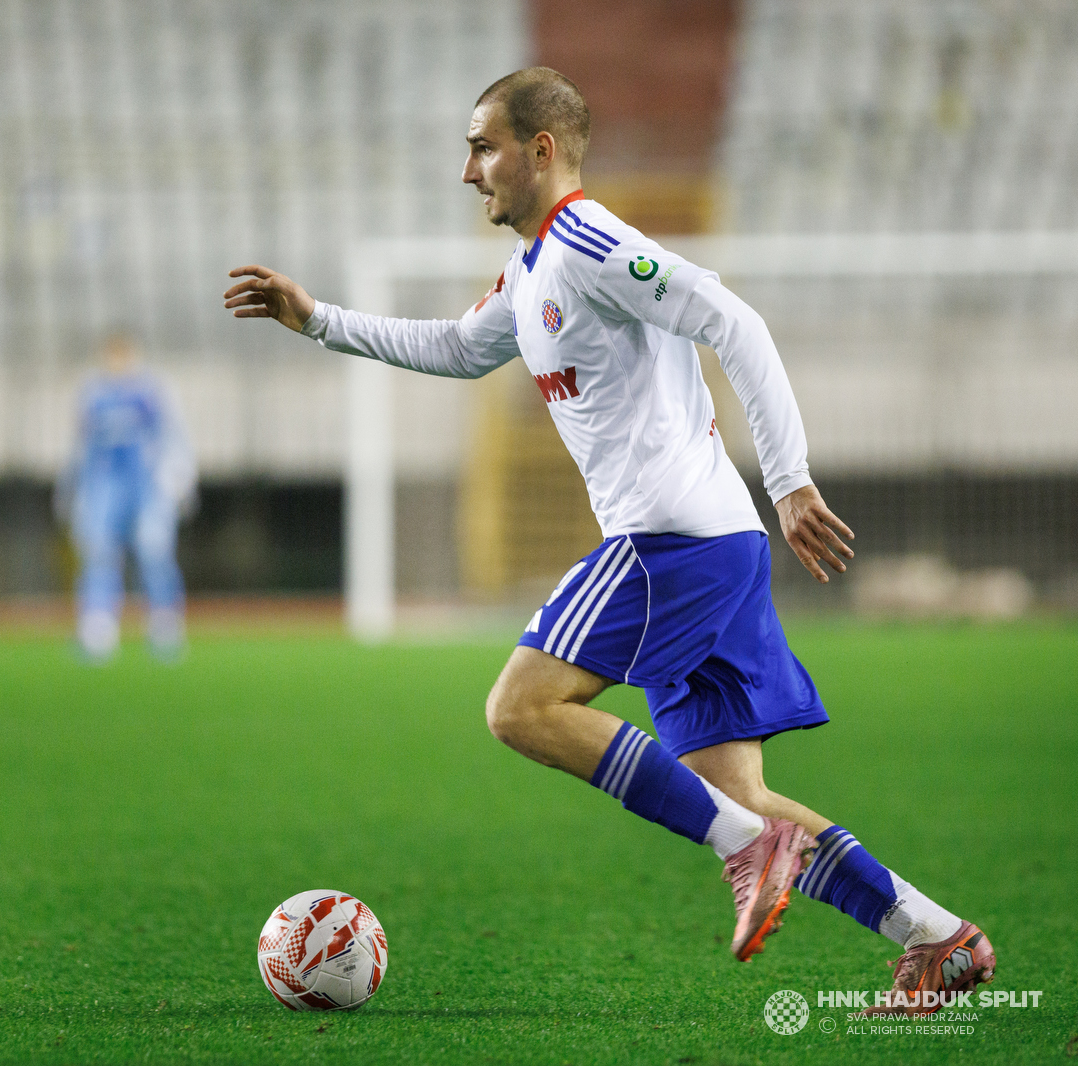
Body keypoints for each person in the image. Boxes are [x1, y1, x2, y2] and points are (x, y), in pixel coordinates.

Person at [223, 68, 993, 1017]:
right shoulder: (533, 267)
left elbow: (733, 320)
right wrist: (318, 321)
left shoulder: (590, 243)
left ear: (540, 150)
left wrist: (790, 477)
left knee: (521, 709)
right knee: (737, 796)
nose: (468, 171)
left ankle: (750, 851)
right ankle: (937, 938)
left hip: (670, 543)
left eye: (483, 147)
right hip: (714, 545)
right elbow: (460, 349)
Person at [64, 335, 195, 662]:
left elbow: (174, 436)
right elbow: (81, 448)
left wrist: (180, 479)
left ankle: (164, 623)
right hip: (103, 485)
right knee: (98, 552)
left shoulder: (152, 391)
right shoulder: (93, 394)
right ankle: (98, 626)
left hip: (148, 485)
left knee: (154, 550)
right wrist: (71, 491)